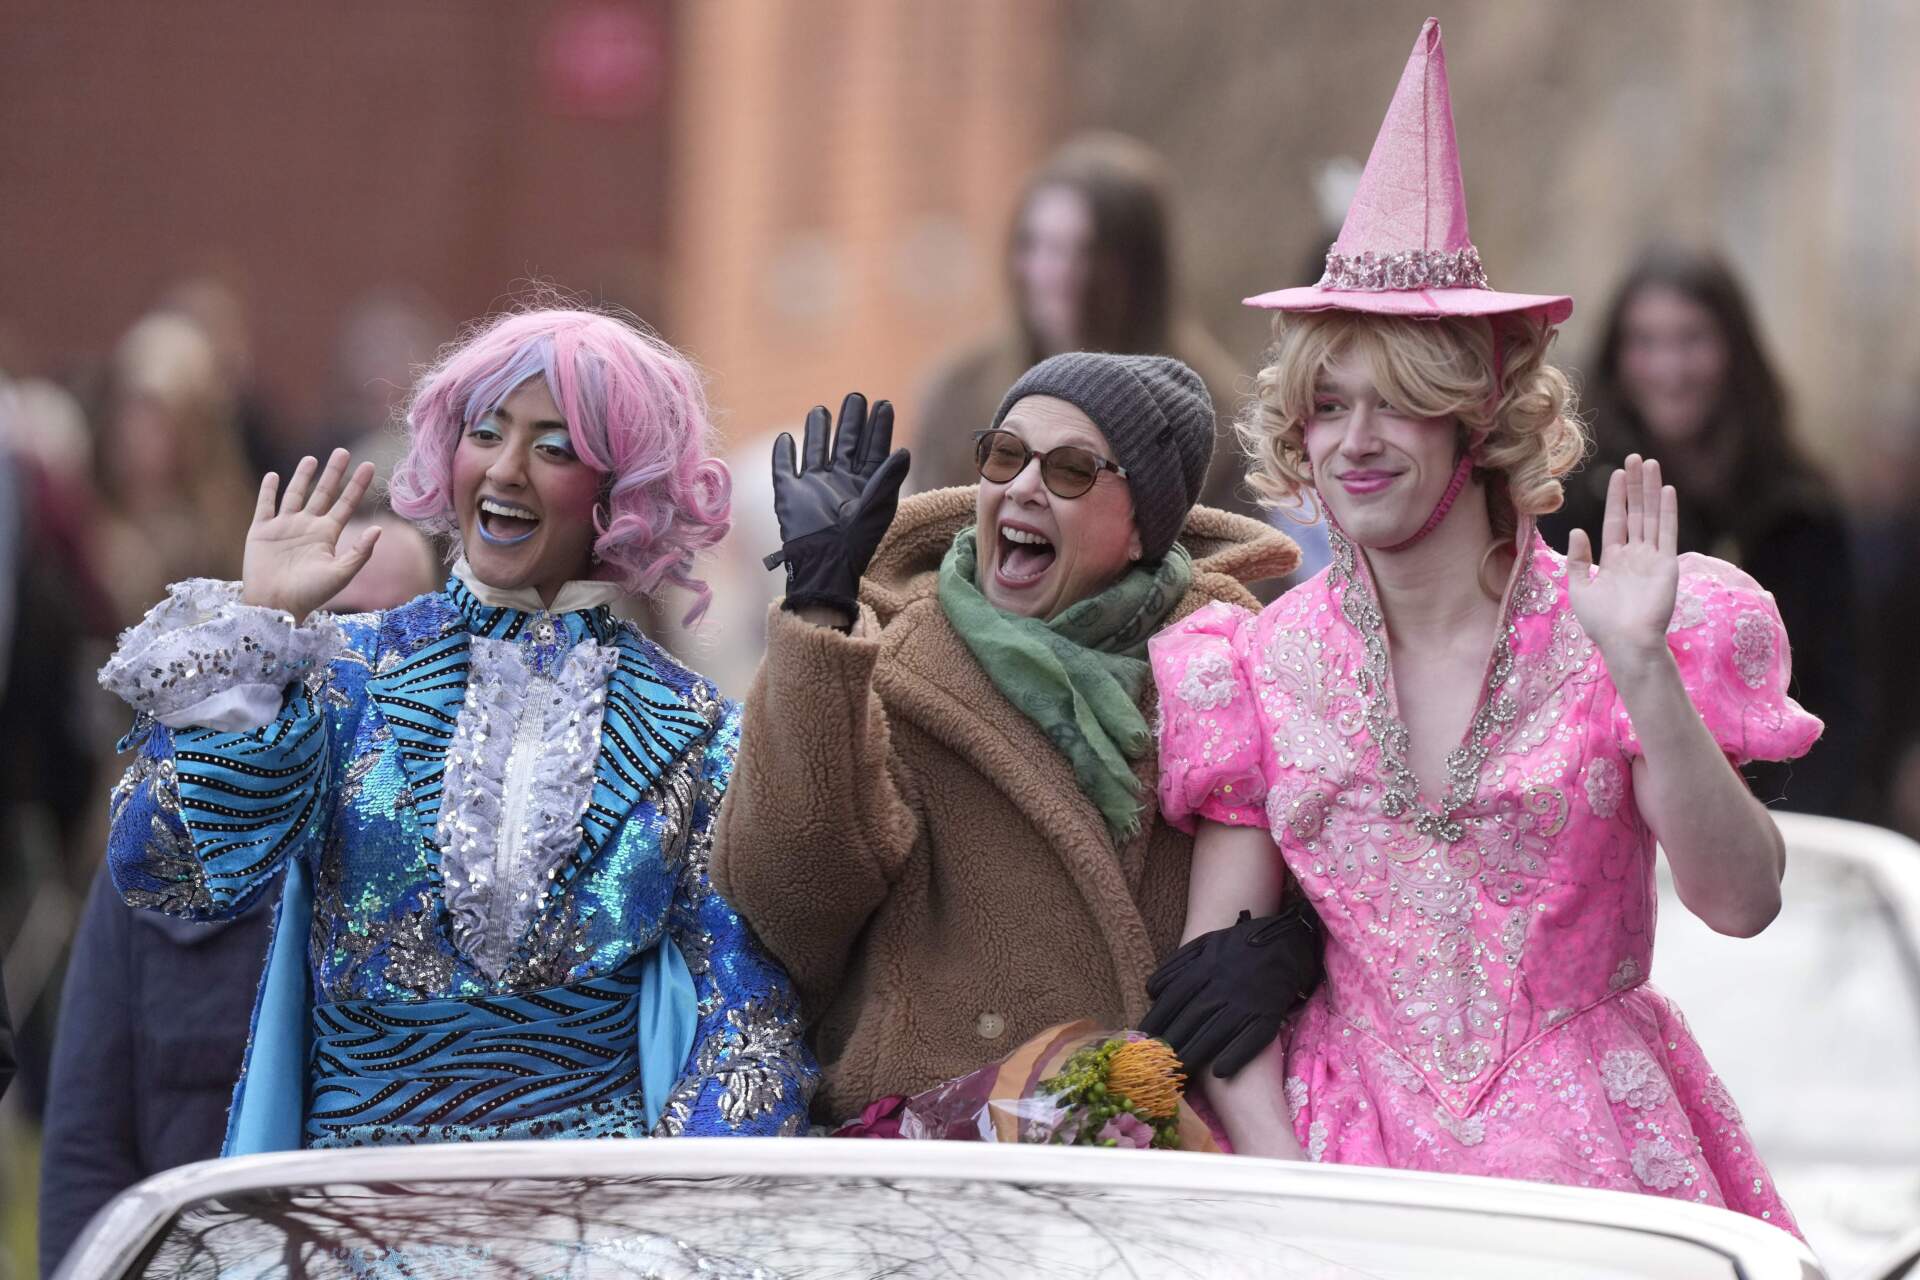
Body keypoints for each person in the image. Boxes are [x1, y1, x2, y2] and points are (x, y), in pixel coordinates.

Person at [1146, 21, 1811, 1232]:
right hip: (1339, 1168)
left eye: (1398, 403)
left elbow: (1745, 899)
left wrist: (1643, 670)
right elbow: (1218, 985)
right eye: (1328, 403)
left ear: (1476, 417)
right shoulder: (1255, 664)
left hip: (1592, 1181)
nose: (1354, 441)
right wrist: (1297, 1194)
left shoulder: (1620, 626)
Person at [96, 306, 814, 1151]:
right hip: (350, 1226)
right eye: (485, 433)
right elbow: (162, 868)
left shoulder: (696, 732)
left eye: (553, 448)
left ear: (618, 494)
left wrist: (666, 1234)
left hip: (589, 1233)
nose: (506, 471)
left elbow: (747, 1023)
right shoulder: (343, 675)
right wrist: (259, 639)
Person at [710, 352, 1309, 1127]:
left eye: (1069, 469)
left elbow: (1345, 876)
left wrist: (1294, 949)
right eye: (1005, 455)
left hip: (1154, 1154)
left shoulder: (1228, 670)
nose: (1023, 485)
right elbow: (787, 909)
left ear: (1142, 527)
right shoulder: (896, 665)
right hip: (932, 1153)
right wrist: (819, 617)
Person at [37, 516, 442, 1277]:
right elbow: (86, 1149)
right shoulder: (169, 855)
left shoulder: (472, 883)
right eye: (334, 620)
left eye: (390, 625)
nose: (354, 654)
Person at [1539, 246, 1863, 817]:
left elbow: (1843, 695)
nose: (1670, 368)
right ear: (1618, 356)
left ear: (1733, 349)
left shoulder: (1799, 512)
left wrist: (1782, 827)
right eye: (1645, 342)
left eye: (1692, 339)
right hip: (1607, 821)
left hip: (1778, 826)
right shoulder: (1570, 503)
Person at [913, 134, 1264, 524]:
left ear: (1140, 271)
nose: (1052, 273)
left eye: (1083, 252)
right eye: (1035, 245)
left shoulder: (1217, 421)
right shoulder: (960, 396)